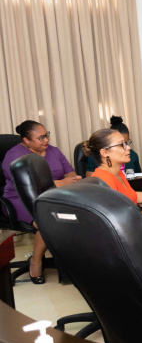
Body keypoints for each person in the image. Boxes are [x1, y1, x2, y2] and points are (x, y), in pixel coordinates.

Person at [2, 121, 81, 284]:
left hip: (53, 197)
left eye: (47, 135)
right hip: (21, 200)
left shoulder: (53, 151)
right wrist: (61, 182)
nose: (47, 140)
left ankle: (75, 264)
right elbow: (29, 185)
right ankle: (36, 260)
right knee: (48, 222)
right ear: (26, 140)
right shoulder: (14, 155)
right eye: (41, 137)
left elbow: (71, 173)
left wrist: (61, 182)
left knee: (76, 218)